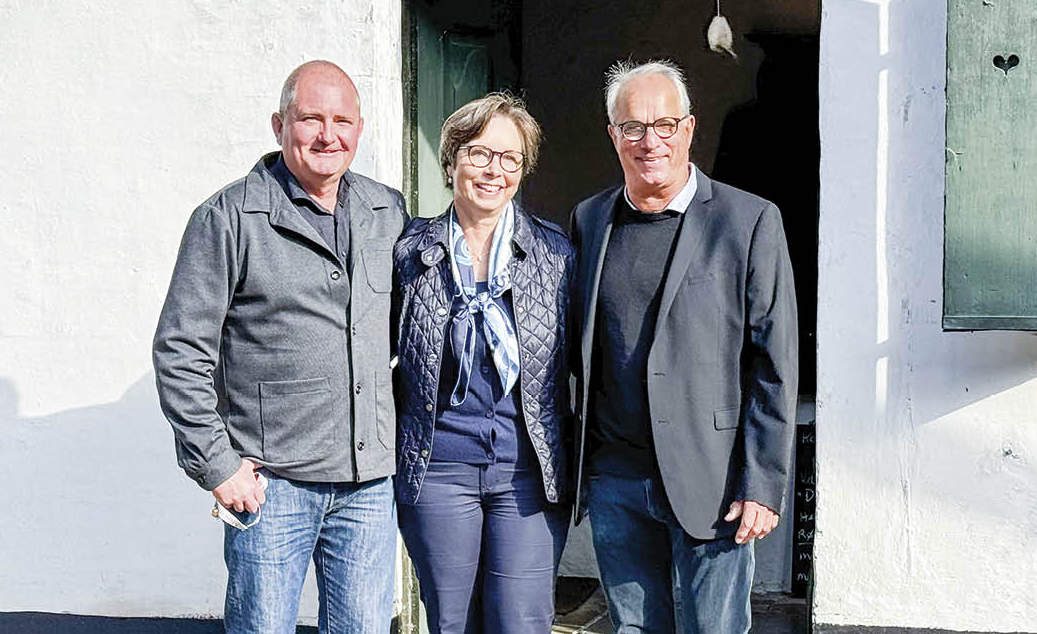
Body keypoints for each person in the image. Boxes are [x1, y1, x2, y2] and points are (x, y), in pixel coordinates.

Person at [152, 60, 408, 633]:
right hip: (271, 490)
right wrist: (217, 465)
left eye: (342, 120)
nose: (328, 135)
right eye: (310, 118)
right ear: (278, 124)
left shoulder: (386, 211)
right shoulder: (228, 217)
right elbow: (179, 350)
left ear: (360, 129)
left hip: (368, 486)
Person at [569, 59, 799, 633]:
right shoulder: (590, 219)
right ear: (613, 136)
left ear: (689, 130)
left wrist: (762, 483)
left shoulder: (748, 222)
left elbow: (774, 365)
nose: (651, 142)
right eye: (634, 128)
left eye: (665, 125)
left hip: (713, 480)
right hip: (616, 477)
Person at [392, 93, 575, 633]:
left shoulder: (557, 255)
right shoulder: (409, 251)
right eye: (478, 153)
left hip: (527, 471)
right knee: (452, 622)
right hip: (437, 467)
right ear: (450, 162)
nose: (494, 170)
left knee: (522, 621)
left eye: (510, 158)